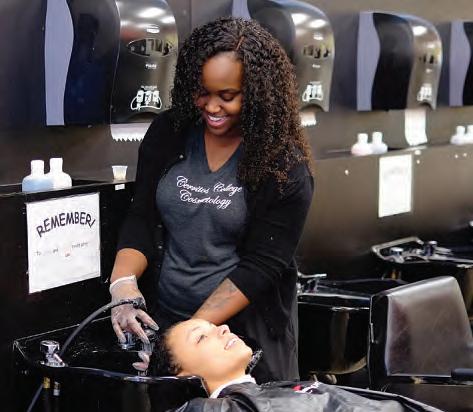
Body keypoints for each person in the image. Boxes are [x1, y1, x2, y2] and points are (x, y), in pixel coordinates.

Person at [108, 16, 314, 383]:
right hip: (166, 323)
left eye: (227, 96)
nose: (212, 107)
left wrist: (187, 341)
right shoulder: (169, 133)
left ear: (257, 93)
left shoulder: (284, 166)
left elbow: (261, 266)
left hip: (236, 340)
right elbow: (141, 218)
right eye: (202, 92)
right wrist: (122, 286)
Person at [141, 319, 441, 412]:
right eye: (201, 337)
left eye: (213, 325)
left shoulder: (270, 392)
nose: (222, 328)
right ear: (183, 375)